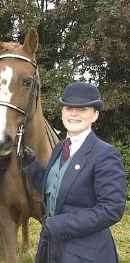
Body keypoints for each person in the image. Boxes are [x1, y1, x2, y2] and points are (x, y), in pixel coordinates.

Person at [23, 82, 127, 263]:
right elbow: (55, 187)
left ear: (95, 115)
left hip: (86, 254)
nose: (74, 113)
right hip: (52, 249)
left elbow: (112, 208)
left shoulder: (105, 154)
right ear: (62, 112)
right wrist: (31, 164)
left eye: (83, 109)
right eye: (69, 107)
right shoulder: (59, 148)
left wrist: (60, 224)